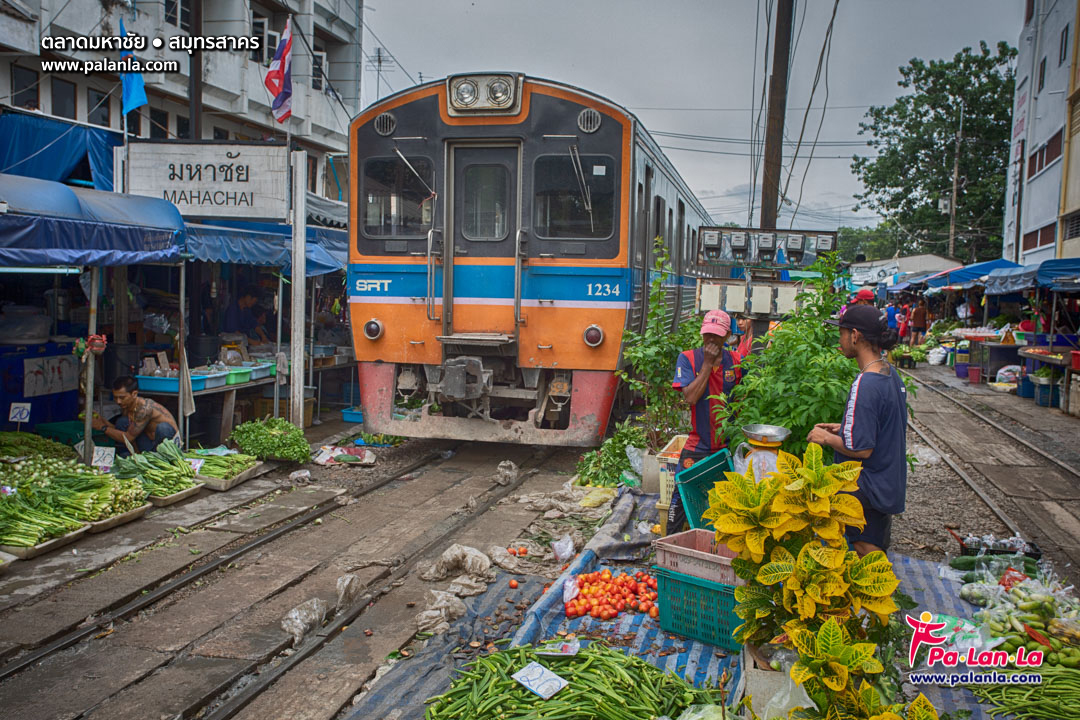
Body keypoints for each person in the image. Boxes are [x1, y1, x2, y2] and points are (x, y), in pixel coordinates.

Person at [807, 305, 907, 557]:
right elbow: (884, 422)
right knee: (875, 543)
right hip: (886, 480)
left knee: (866, 549)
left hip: (866, 486)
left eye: (841, 334)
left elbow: (862, 449)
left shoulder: (866, 382)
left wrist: (826, 438)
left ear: (855, 335)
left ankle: (877, 594)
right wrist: (846, 428)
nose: (839, 340)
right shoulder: (889, 373)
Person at [668, 310, 743, 534]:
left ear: (728, 335)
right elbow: (690, 397)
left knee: (728, 504)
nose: (710, 340)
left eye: (716, 335)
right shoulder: (688, 358)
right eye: (707, 334)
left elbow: (745, 402)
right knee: (680, 496)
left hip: (727, 446)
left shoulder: (737, 361)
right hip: (698, 444)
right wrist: (708, 365)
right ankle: (667, 545)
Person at [92, 376, 180, 453]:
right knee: (122, 422)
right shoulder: (127, 406)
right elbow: (125, 431)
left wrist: (102, 427)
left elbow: (129, 437)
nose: (118, 401)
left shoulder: (144, 409)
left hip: (168, 446)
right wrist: (101, 421)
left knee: (163, 428)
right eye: (115, 397)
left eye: (122, 398)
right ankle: (134, 456)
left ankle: (164, 460)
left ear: (134, 394)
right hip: (148, 444)